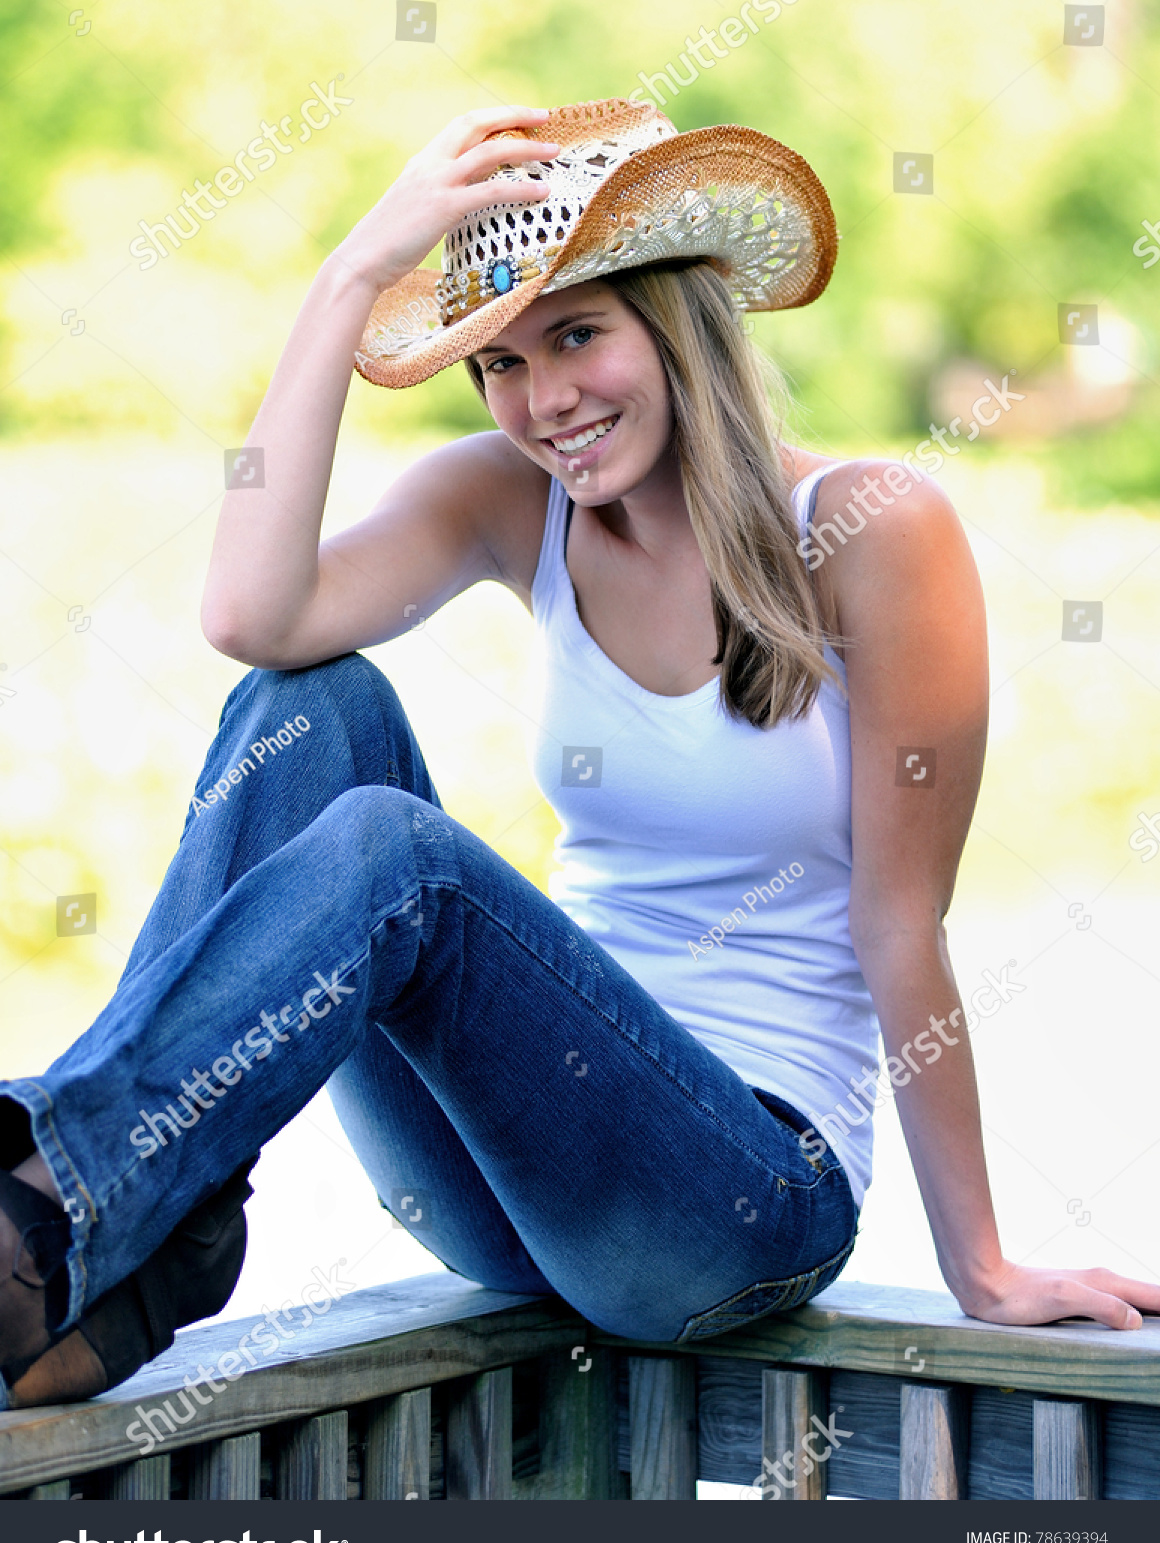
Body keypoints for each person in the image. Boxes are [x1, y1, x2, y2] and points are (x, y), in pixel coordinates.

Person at [2, 97, 1156, 1413]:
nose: (541, 401)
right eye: (494, 362)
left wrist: (984, 1266)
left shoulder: (874, 530)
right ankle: (108, 1223)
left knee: (402, 857)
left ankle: (56, 1223)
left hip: (738, 1201)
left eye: (577, 336)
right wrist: (347, 282)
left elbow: (903, 920)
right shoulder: (510, 502)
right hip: (515, 1189)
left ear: (674, 318)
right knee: (307, 708)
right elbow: (249, 621)